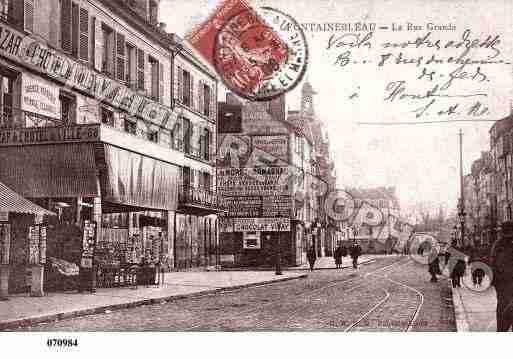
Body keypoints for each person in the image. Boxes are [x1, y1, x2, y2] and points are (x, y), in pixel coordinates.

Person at [490, 221, 513, 331]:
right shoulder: (500, 245)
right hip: (505, 284)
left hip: (502, 285)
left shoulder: (497, 244)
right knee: (504, 310)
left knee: (502, 310)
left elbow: (493, 264)